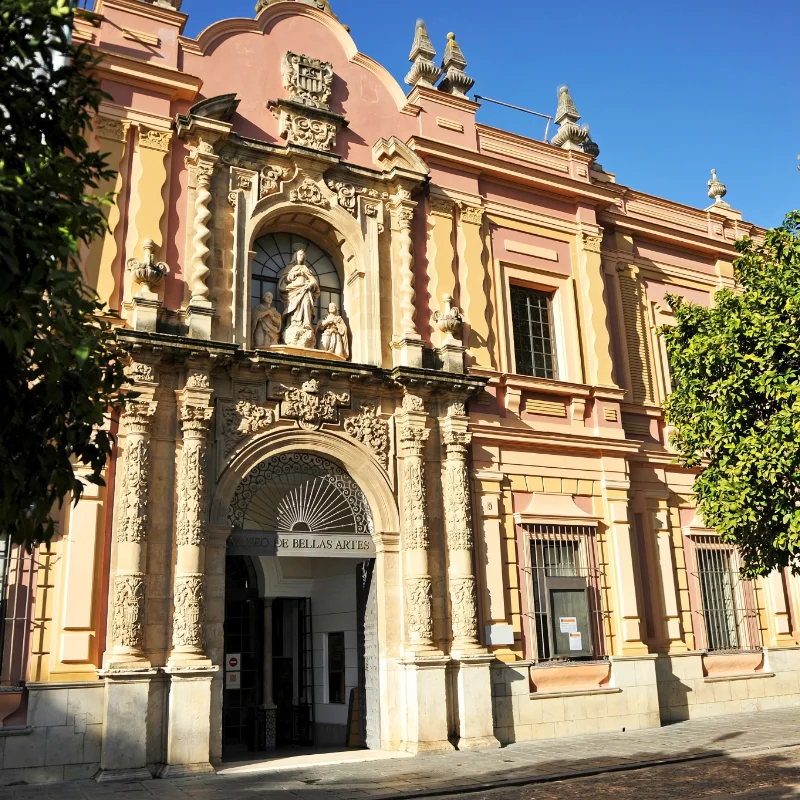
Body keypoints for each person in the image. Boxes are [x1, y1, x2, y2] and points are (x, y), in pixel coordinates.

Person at [277, 249, 320, 348]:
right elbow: (286, 279)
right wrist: (296, 273)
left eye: (303, 255)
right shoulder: (291, 267)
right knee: (295, 309)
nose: (302, 256)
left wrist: (311, 284)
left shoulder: (305, 268)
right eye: (300, 254)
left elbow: (313, 281)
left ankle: (306, 323)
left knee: (306, 304)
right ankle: (294, 323)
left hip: (306, 290)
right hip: (293, 292)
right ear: (295, 256)